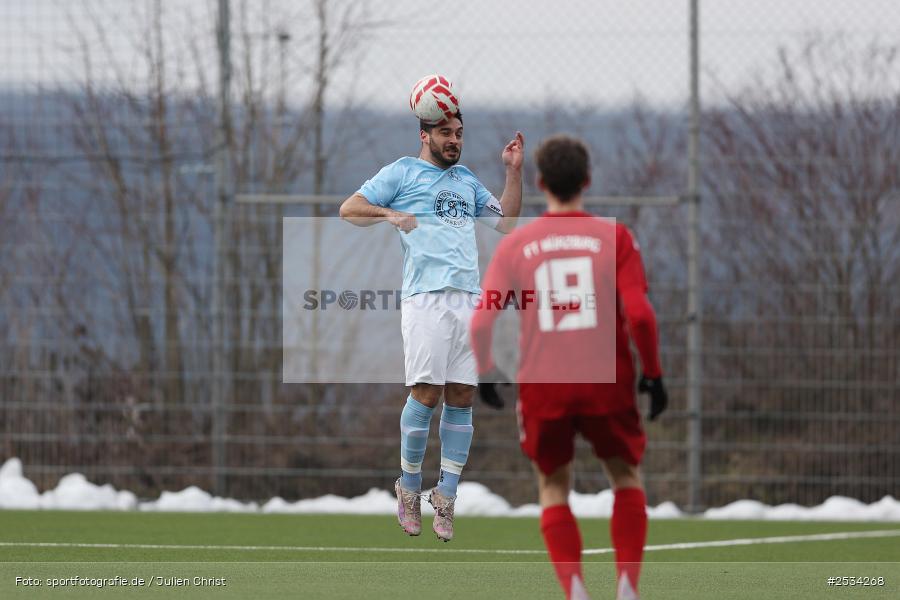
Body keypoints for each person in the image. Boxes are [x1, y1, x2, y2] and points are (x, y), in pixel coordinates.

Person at [469, 135, 668, 599]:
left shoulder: (517, 245)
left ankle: (575, 589)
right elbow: (639, 314)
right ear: (587, 180)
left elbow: (481, 320)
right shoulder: (614, 237)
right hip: (607, 382)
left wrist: (486, 370)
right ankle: (626, 587)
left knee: (553, 484)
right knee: (624, 476)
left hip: (544, 383)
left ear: (539, 183)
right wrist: (653, 374)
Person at [339, 110, 524, 542]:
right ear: (426, 134)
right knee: (426, 392)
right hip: (425, 300)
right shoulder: (402, 172)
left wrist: (513, 173)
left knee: (461, 396)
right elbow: (349, 208)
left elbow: (507, 223)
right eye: (445, 133)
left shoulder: (466, 179)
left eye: (459, 133)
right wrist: (389, 214)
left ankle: (446, 495)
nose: (454, 140)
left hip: (469, 303)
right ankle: (408, 487)